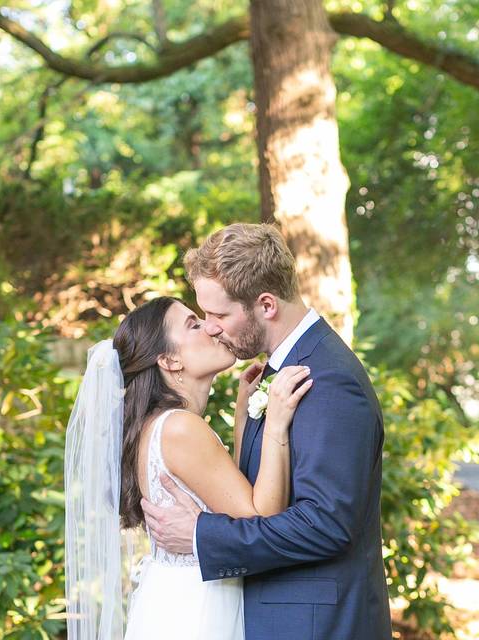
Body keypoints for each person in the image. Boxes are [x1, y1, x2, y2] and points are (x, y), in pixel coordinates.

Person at [142, 223, 393, 640]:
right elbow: (257, 496)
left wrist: (203, 535)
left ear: (266, 305)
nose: (209, 327)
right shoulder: (274, 373)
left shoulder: (329, 380)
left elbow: (326, 524)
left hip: (315, 626)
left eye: (219, 314)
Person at [64, 295, 311, 640]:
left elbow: (231, 500)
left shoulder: (162, 425)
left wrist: (242, 415)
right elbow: (261, 517)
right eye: (193, 324)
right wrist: (276, 424)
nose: (210, 327)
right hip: (198, 610)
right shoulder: (179, 427)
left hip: (175, 599)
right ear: (169, 360)